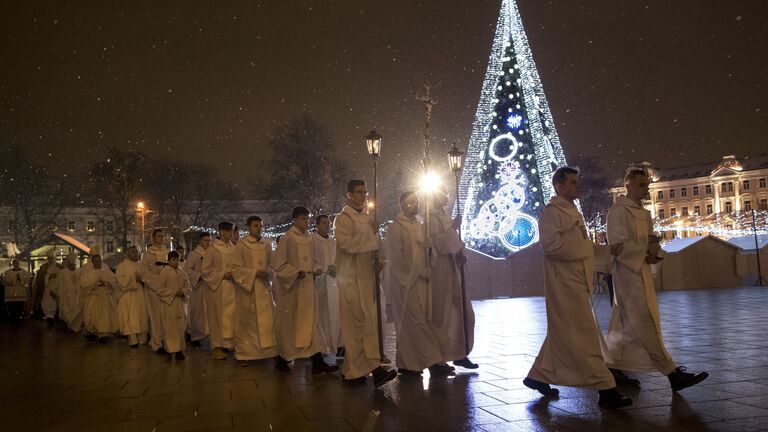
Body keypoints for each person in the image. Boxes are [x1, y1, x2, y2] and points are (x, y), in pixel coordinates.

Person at [523, 167, 632, 409]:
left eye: (577, 182)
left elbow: (582, 245)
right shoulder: (551, 214)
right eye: (572, 183)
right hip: (564, 285)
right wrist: (585, 248)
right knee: (585, 335)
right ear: (559, 187)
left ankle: (537, 376)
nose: (577, 186)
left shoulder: (572, 211)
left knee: (565, 333)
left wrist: (605, 251)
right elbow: (551, 246)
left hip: (576, 281)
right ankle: (606, 389)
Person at [605, 168, 709, 392]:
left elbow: (645, 243)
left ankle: (611, 364)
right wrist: (644, 251)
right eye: (641, 185)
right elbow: (618, 246)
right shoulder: (618, 212)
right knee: (645, 321)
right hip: (628, 275)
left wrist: (652, 252)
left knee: (624, 320)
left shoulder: (643, 213)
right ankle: (671, 373)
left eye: (647, 185)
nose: (646, 189)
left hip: (639, 271)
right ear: (628, 186)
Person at [333, 180, 397, 387]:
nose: (363, 196)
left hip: (367, 279)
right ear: (349, 194)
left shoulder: (369, 219)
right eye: (359, 193)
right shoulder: (341, 219)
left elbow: (377, 245)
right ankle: (370, 371)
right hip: (351, 280)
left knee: (369, 324)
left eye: (365, 193)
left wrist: (380, 260)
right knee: (357, 326)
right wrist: (369, 233)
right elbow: (347, 245)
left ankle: (355, 371)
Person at [388, 191, 452, 377]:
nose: (415, 205)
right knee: (416, 323)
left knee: (422, 320)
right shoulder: (396, 228)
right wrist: (418, 271)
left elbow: (428, 251)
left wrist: (430, 258)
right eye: (410, 202)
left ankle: (409, 364)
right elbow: (398, 259)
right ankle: (433, 362)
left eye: (416, 202)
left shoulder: (421, 226)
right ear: (402, 204)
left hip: (423, 282)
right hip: (407, 284)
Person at [273, 207, 339, 374]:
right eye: (303, 219)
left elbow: (313, 260)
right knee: (291, 324)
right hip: (293, 289)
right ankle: (283, 357)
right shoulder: (287, 239)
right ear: (295, 219)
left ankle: (317, 361)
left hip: (309, 287)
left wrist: (316, 268)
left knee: (312, 324)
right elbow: (279, 265)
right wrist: (295, 273)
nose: (306, 222)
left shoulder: (309, 239)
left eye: (308, 219)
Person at [428, 187, 478, 370]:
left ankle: (459, 352)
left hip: (454, 270)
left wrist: (461, 254)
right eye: (442, 194)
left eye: (446, 194)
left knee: (464, 313)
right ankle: (437, 359)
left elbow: (454, 243)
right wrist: (453, 228)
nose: (445, 197)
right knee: (441, 315)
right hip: (440, 271)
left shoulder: (446, 217)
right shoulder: (430, 218)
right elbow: (439, 245)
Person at [231, 216, 278, 366]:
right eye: (255, 226)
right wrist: (254, 273)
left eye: (261, 226)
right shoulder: (241, 246)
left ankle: (271, 351)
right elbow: (235, 268)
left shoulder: (267, 245)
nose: (259, 228)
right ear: (248, 227)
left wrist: (268, 272)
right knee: (247, 322)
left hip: (264, 288)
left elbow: (273, 265)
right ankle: (244, 353)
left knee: (269, 321)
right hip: (248, 290)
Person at [202, 222, 239, 360]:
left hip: (233, 287)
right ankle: (217, 346)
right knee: (217, 316)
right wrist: (222, 275)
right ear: (221, 232)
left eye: (233, 231)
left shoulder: (234, 248)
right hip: (218, 288)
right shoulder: (212, 250)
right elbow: (205, 271)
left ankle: (229, 343)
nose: (232, 233)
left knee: (231, 316)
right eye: (229, 231)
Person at [313, 214, 342, 357]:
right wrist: (316, 268)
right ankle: (322, 345)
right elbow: (311, 259)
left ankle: (335, 344)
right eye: (323, 223)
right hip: (319, 283)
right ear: (317, 225)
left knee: (335, 314)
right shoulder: (313, 240)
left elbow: (338, 259)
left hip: (333, 282)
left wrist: (336, 267)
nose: (327, 225)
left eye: (328, 223)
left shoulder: (333, 242)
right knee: (322, 314)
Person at [80, 246, 118, 342]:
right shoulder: (89, 273)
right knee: (92, 316)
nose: (98, 263)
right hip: (94, 297)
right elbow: (84, 284)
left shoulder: (106, 271)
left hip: (105, 297)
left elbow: (114, 281)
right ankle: (94, 332)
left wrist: (106, 283)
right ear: (92, 262)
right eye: (96, 261)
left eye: (99, 261)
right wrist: (94, 284)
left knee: (104, 316)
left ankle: (104, 334)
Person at [158, 250, 191, 360]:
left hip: (180, 304)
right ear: (169, 260)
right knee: (170, 328)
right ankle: (169, 350)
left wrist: (183, 291)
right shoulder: (164, 273)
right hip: (169, 304)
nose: (176, 262)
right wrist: (173, 293)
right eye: (173, 260)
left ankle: (179, 350)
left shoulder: (182, 273)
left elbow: (188, 287)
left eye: (177, 259)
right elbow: (160, 289)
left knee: (180, 328)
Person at [141, 229, 169, 353]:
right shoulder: (147, 254)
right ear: (153, 238)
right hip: (153, 289)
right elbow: (144, 273)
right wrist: (157, 283)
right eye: (159, 236)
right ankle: (157, 343)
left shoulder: (167, 252)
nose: (161, 238)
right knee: (156, 316)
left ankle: (167, 341)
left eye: (163, 236)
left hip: (166, 289)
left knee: (166, 316)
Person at [115, 246, 149, 347]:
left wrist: (142, 279)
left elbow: (147, 278)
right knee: (130, 317)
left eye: (137, 252)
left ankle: (142, 338)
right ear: (128, 253)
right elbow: (120, 281)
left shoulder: (141, 265)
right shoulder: (122, 266)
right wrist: (134, 279)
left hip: (140, 293)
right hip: (128, 294)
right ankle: (133, 340)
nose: (136, 254)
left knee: (141, 315)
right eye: (133, 252)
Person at [183, 232, 211, 347]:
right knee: (197, 312)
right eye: (205, 240)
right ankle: (195, 335)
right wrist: (198, 276)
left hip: (209, 286)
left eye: (209, 240)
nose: (208, 243)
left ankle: (209, 334)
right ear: (200, 241)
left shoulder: (211, 253)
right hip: (198, 287)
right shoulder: (193, 254)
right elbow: (187, 270)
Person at [51, 251, 82, 332]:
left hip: (77, 296)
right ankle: (69, 325)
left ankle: (75, 326)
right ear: (68, 264)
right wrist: (54, 290)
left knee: (77, 310)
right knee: (67, 310)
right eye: (71, 265)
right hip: (66, 296)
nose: (73, 267)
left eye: (74, 265)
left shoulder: (80, 271)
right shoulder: (63, 272)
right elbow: (58, 283)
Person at [40, 251, 61, 324]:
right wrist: (49, 277)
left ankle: (55, 315)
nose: (51, 259)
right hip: (47, 288)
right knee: (47, 301)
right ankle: (48, 315)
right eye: (49, 258)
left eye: (52, 258)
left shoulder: (59, 266)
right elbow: (41, 278)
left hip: (57, 288)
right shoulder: (43, 267)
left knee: (55, 302)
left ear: (55, 258)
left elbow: (62, 277)